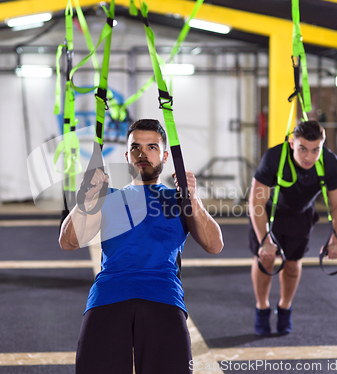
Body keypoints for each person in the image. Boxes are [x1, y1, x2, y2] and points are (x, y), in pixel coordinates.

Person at [59, 119, 223, 374]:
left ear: (165, 156)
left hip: (162, 296)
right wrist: (86, 198)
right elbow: (68, 242)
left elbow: (214, 245)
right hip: (109, 296)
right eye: (135, 147)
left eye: (152, 147)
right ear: (127, 156)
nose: (142, 154)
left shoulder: (176, 200)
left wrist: (194, 198)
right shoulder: (108, 197)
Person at [248, 120, 337, 336]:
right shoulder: (274, 157)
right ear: (292, 143)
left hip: (301, 216)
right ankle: (262, 308)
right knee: (265, 259)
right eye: (303, 149)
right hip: (269, 214)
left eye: (315, 150)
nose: (308, 157)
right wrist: (265, 239)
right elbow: (256, 201)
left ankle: (284, 308)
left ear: (322, 145)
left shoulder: (329, 162)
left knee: (292, 265)